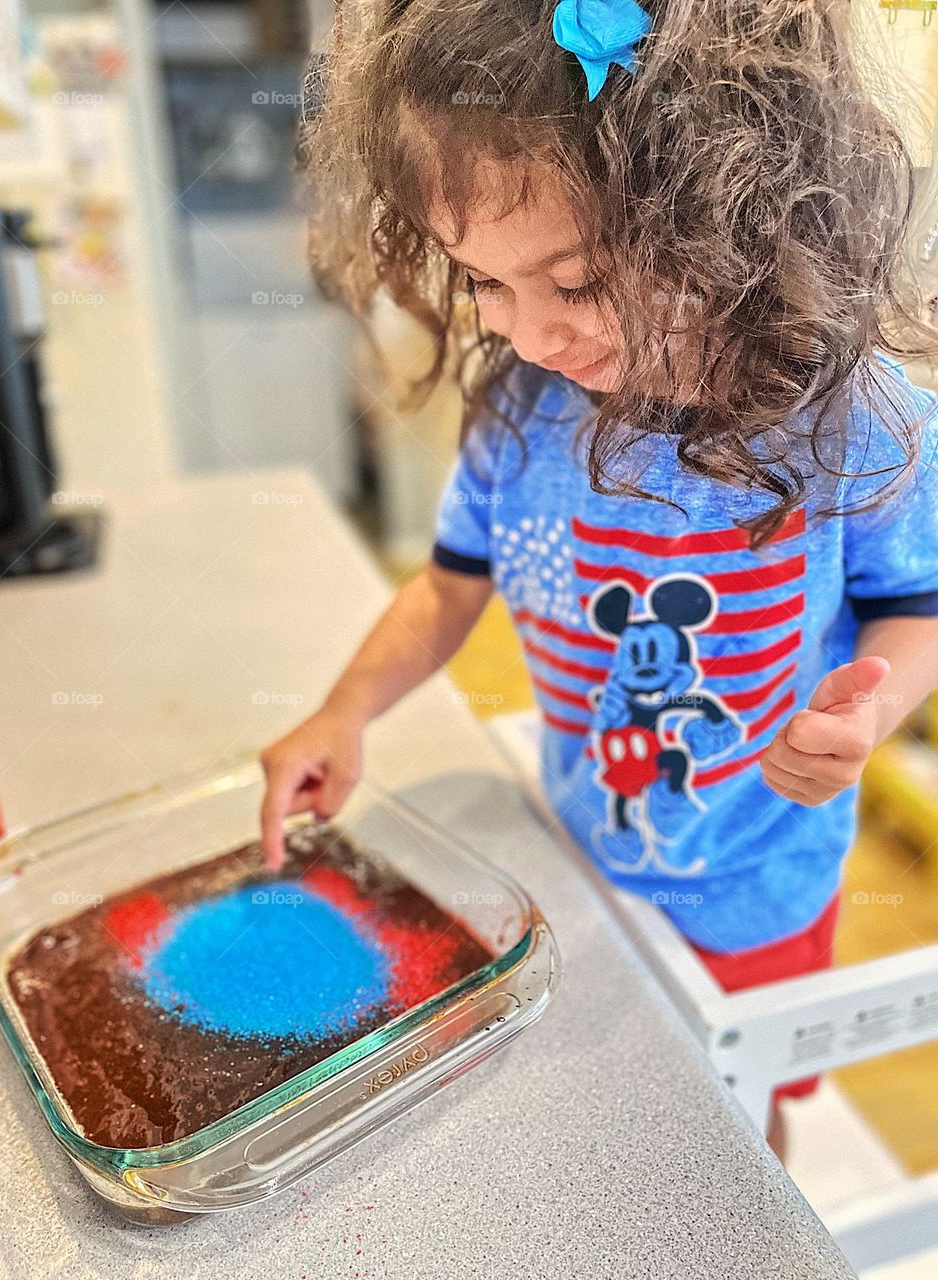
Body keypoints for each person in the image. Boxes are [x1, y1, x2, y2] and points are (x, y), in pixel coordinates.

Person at [261, 0, 938, 1161]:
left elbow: (916, 607)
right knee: (616, 1105)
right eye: (485, 283)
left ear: (743, 223)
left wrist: (874, 707)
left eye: (575, 283)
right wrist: (343, 709)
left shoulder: (862, 425)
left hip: (754, 878)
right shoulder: (524, 416)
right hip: (578, 851)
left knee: (733, 1136)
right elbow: (445, 588)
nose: (528, 336)